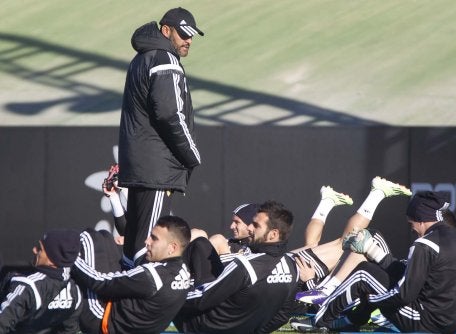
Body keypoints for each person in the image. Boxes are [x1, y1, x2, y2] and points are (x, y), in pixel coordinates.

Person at [290, 191, 456, 333]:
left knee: (364, 273)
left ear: (420, 220)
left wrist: (369, 299)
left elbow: (404, 294)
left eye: (411, 224)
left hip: (426, 322)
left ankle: (318, 322)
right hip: (451, 322)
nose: (412, 230)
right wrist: (371, 250)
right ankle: (353, 319)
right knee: (370, 274)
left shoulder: (425, 243)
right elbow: (410, 275)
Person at [118, 7, 204, 267]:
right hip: (156, 167)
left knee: (135, 240)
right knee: (150, 244)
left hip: (144, 164)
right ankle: (140, 306)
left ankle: (124, 303)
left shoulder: (144, 57)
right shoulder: (165, 59)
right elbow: (170, 114)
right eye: (183, 34)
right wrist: (191, 154)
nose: (188, 40)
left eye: (191, 35)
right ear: (166, 31)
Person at [176, 200, 300, 334]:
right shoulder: (292, 266)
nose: (250, 228)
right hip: (238, 325)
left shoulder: (247, 265)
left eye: (256, 225)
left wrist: (168, 298)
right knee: (200, 244)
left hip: (201, 327)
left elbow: (202, 299)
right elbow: (282, 317)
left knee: (172, 296)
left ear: (273, 234)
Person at [72, 216, 191, 334]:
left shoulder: (153, 276)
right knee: (106, 238)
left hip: (102, 321)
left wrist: (70, 258)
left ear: (172, 247)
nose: (147, 241)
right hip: (132, 326)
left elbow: (100, 282)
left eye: (154, 238)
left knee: (89, 238)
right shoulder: (184, 271)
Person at [0, 229, 83, 333]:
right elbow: (71, 331)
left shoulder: (27, 286)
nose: (34, 250)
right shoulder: (75, 292)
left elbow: (2, 322)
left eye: (40, 249)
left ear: (52, 260)